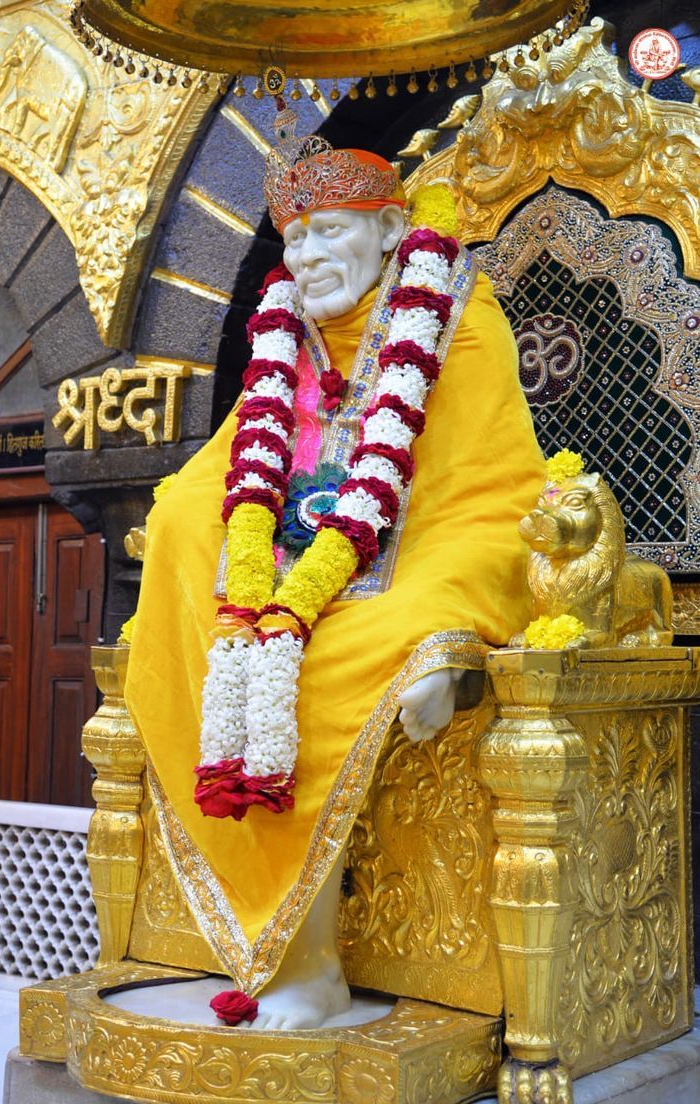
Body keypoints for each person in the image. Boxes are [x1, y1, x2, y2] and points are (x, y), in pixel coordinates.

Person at [124, 128, 545, 1030]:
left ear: (393, 229)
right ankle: (258, 938)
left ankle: (308, 964)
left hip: (430, 553)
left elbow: (487, 488)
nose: (305, 257)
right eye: (294, 239)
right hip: (285, 579)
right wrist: (185, 532)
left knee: (322, 669)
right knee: (212, 617)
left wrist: (447, 634)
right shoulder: (289, 338)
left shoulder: (458, 310)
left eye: (327, 232)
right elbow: (229, 470)